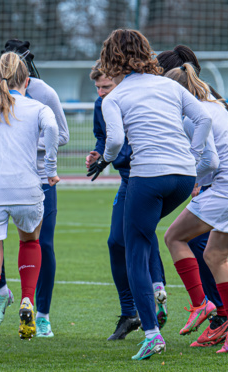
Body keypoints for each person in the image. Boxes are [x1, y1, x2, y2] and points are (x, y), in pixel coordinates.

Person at [90, 29, 212, 360]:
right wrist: (195, 156)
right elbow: (203, 119)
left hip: (148, 177)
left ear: (111, 58)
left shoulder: (113, 97)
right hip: (184, 178)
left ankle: (151, 333)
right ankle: (160, 288)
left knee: (134, 249)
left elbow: (114, 142)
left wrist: (105, 158)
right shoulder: (170, 85)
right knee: (142, 236)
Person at [0, 51, 60, 363]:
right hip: (27, 188)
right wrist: (51, 169)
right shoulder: (37, 107)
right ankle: (28, 300)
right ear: (26, 81)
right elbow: (54, 130)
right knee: (30, 241)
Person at [163, 63, 228, 354]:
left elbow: (211, 162)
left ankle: (200, 304)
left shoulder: (193, 115)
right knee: (215, 256)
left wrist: (193, 180)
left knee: (174, 237)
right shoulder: (216, 106)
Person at [0, 39, 70, 338]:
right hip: (2, 178)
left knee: (42, 244)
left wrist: (28, 145)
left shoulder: (45, 93)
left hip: (38, 178)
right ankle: (3, 291)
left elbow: (63, 135)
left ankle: (41, 314)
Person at [157, 45, 228, 348]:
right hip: (223, 184)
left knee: (193, 242)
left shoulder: (195, 106)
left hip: (221, 185)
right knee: (205, 247)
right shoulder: (206, 97)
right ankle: (224, 315)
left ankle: (218, 312)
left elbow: (211, 155)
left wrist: (193, 179)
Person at [86, 61, 168, 340]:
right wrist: (98, 154)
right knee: (115, 241)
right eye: (97, 87)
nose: (101, 93)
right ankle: (130, 312)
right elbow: (103, 138)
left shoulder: (133, 99)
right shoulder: (102, 105)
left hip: (147, 176)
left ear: (120, 82)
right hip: (127, 179)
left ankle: (158, 292)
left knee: (141, 232)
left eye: (106, 86)